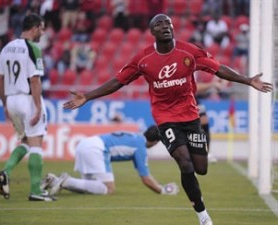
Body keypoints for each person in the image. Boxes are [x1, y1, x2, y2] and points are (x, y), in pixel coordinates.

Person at [63, 14, 273, 225]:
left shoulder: (189, 51)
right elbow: (118, 81)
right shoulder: (143, 59)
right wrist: (88, 96)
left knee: (201, 168)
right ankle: (203, 215)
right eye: (159, 24)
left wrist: (247, 80)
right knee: (184, 162)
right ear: (152, 32)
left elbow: (218, 68)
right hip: (165, 117)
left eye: (168, 23)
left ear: (173, 29)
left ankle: (189, 155)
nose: (165, 26)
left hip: (190, 115)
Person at [0, 13, 56, 202]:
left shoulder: (6, 48)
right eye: (42, 27)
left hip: (12, 99)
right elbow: (35, 80)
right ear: (35, 27)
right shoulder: (33, 49)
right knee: (36, 143)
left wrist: (5, 103)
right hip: (28, 99)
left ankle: (6, 171)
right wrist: (38, 108)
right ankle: (35, 191)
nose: (43, 31)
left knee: (24, 141)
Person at [41, 125, 178, 196]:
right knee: (109, 189)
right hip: (97, 149)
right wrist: (162, 190)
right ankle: (66, 180)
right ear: (155, 142)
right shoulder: (140, 147)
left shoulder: (135, 137)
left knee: (89, 188)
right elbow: (145, 178)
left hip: (85, 144)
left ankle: (55, 181)